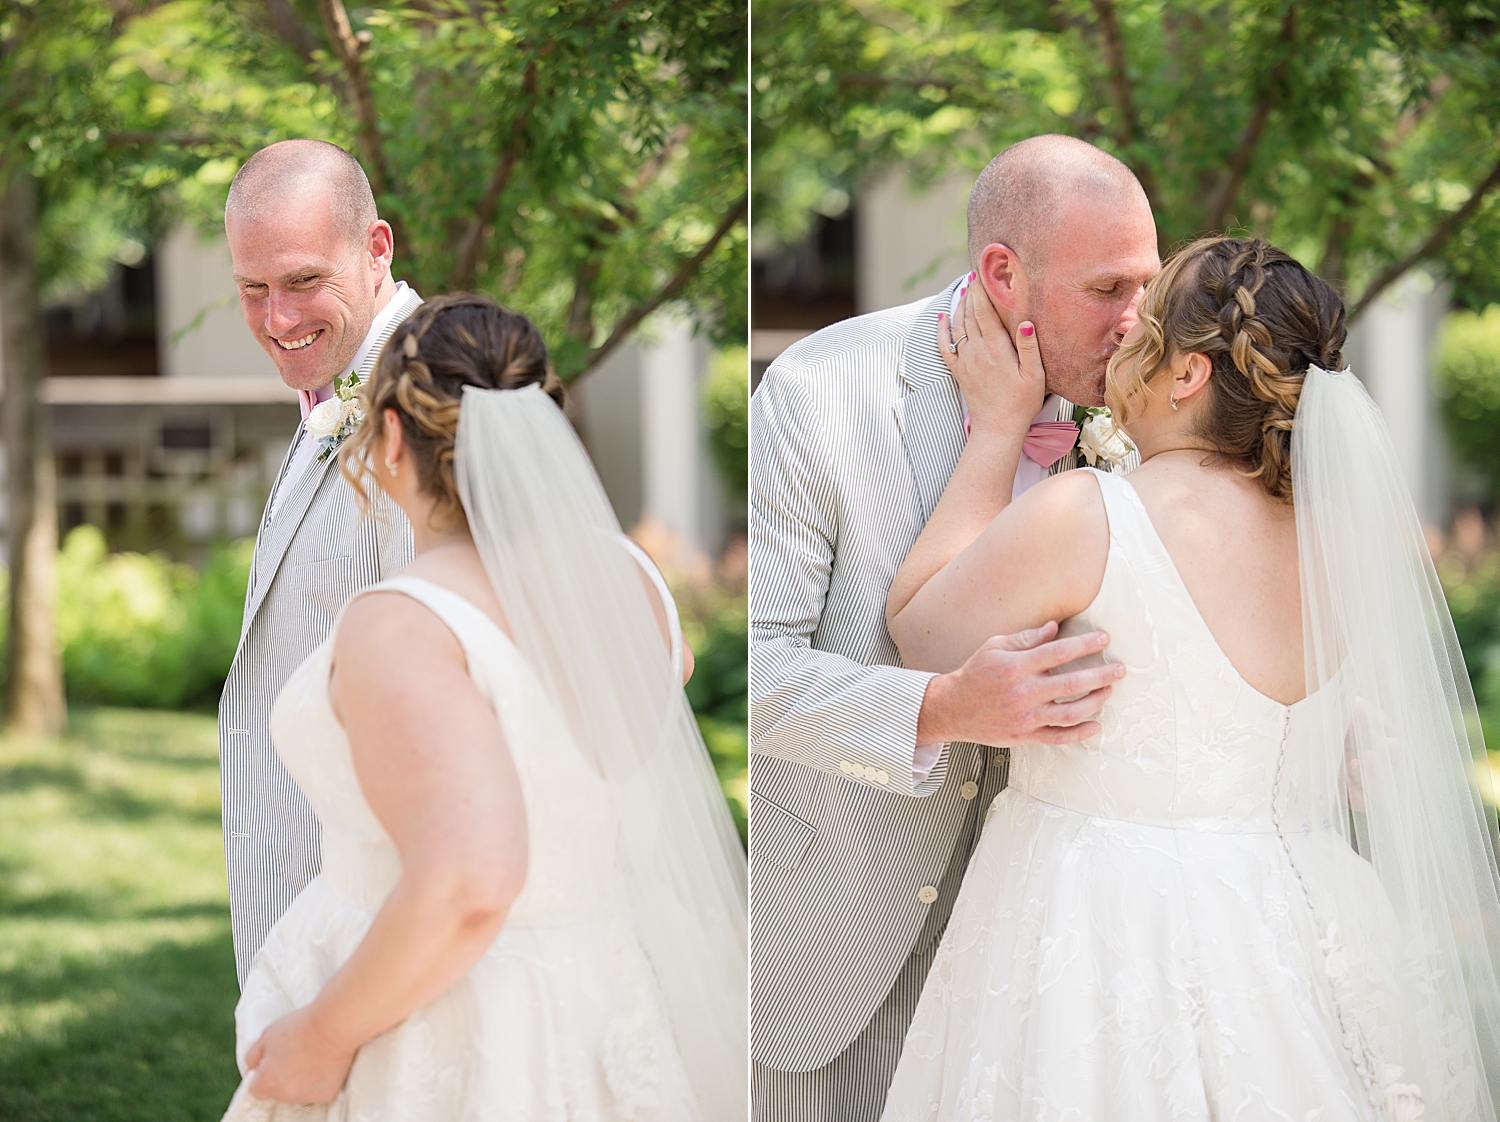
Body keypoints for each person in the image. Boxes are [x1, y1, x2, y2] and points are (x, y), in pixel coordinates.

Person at [879, 237, 1500, 1119]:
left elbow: (920, 633)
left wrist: (996, 431)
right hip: (1302, 921)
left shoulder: (1091, 514)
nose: (1124, 337)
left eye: (1147, 328)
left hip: (1105, 925)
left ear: (1186, 377)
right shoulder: (1346, 547)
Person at [221, 294, 748, 1119]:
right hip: (602, 993)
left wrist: (323, 1035)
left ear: (392, 435)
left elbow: (470, 879)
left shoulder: (402, 623)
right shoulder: (630, 579)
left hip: (453, 1030)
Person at [749, 134, 1159, 1120]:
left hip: (1054, 965)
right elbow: (758, 671)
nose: (1139, 322)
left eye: (1147, 285)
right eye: (1108, 291)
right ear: (1003, 274)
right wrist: (939, 706)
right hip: (838, 949)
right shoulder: (818, 392)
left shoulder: (1165, 407)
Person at [220, 138, 421, 983]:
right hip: (297, 921)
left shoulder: (423, 417)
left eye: (303, 281)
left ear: (376, 249)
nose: (279, 320)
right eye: (252, 290)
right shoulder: (337, 396)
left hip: (366, 940)